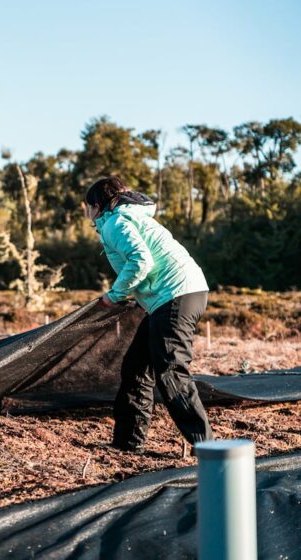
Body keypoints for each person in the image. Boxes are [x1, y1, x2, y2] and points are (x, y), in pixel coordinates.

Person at [84, 176, 213, 452]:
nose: (88, 215)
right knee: (136, 368)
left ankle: (209, 450)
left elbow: (141, 261)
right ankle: (128, 443)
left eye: (88, 208)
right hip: (182, 294)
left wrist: (115, 294)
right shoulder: (132, 217)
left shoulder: (115, 223)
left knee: (171, 371)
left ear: (97, 206)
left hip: (176, 295)